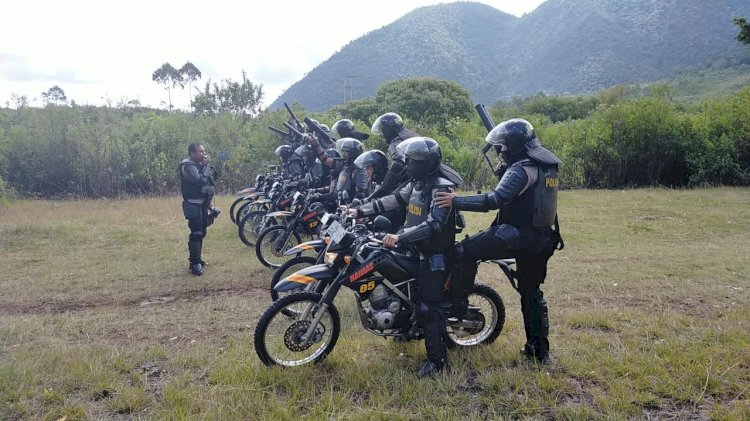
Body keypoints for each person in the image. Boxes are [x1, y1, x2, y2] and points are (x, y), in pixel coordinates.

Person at [434, 118, 563, 364]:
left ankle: (458, 308)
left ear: (515, 145)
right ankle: (539, 352)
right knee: (531, 293)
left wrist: (455, 201)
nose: (501, 149)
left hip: (516, 235)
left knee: (464, 251)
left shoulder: (522, 168)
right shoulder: (545, 165)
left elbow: (495, 200)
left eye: (504, 145)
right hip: (541, 238)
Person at [349, 137, 464, 377]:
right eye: (408, 160)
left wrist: (400, 237)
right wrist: (360, 210)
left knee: (427, 306)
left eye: (414, 161)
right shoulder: (416, 184)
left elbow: (434, 224)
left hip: (435, 254)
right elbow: (392, 200)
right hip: (414, 247)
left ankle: (438, 363)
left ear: (427, 162)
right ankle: (404, 326)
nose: (409, 165)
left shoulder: (440, 187)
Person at [179, 143, 217, 276]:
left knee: (202, 231)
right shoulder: (188, 166)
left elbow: (208, 183)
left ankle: (197, 259)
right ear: (192, 153)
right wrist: (206, 166)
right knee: (196, 233)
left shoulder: (198, 164)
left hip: (202, 204)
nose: (204, 154)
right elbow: (200, 181)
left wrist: (209, 204)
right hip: (192, 204)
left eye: (204, 151)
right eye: (200, 152)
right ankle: (194, 265)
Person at [367, 112, 419, 200]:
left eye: (383, 130)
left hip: (412, 181)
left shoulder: (396, 141)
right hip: (424, 177)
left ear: (388, 129)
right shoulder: (410, 135)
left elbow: (398, 164)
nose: (383, 135)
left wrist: (383, 188)